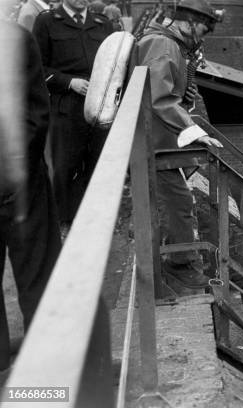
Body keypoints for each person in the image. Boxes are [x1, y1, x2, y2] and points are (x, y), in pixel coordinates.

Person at [133, 0, 224, 290]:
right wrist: (193, 131)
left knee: (177, 203)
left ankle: (177, 267)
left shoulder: (168, 44)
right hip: (154, 144)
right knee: (176, 204)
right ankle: (180, 270)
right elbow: (161, 98)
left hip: (159, 141)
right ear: (187, 22)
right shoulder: (162, 46)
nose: (204, 35)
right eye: (203, 28)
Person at [0, 22, 61, 372]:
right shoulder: (15, 38)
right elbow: (36, 115)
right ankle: (44, 367)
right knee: (37, 272)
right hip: (20, 181)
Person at [32, 0, 113, 230]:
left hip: (100, 104)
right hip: (66, 106)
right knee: (66, 165)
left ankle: (96, 219)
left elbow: (116, 62)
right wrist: (69, 82)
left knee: (98, 161)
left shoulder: (103, 23)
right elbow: (38, 67)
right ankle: (66, 221)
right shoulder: (47, 21)